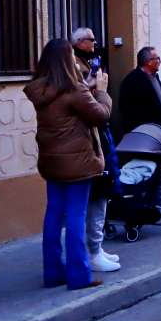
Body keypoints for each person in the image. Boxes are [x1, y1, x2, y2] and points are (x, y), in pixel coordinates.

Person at [25, 38, 112, 290]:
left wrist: (88, 87)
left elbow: (69, 105)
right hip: (78, 162)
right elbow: (101, 115)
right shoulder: (74, 90)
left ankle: (52, 273)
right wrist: (103, 91)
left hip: (52, 161)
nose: (75, 60)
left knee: (53, 214)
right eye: (72, 57)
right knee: (76, 215)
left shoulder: (42, 90)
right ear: (66, 60)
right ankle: (78, 275)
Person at [70, 29, 119, 274]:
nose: (95, 43)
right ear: (78, 42)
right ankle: (90, 253)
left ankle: (95, 248)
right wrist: (99, 90)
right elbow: (98, 112)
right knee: (91, 199)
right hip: (86, 144)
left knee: (97, 197)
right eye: (91, 39)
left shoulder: (84, 64)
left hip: (92, 141)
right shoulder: (74, 68)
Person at [117, 44, 161, 210]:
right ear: (148, 62)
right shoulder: (133, 80)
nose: (159, 61)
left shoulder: (154, 77)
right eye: (156, 58)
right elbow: (128, 109)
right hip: (142, 134)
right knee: (148, 164)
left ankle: (154, 194)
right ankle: (148, 196)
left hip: (157, 132)